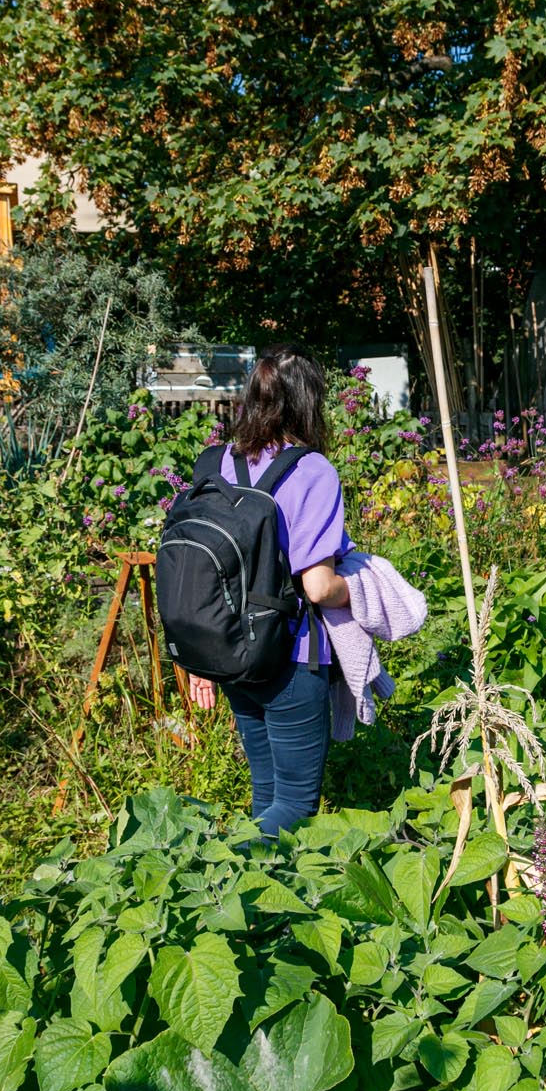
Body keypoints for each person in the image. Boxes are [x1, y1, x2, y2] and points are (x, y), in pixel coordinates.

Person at [185, 347, 352, 837]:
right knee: (296, 806)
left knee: (267, 794)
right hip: (291, 656)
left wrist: (199, 658)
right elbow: (319, 587)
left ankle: (262, 905)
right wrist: (359, 588)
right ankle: (216, 867)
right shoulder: (312, 471)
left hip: (232, 655)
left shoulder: (215, 464)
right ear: (307, 403)